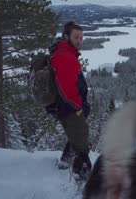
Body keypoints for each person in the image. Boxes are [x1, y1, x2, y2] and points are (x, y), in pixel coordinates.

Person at [46, 21, 92, 181]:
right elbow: (66, 87)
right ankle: (83, 177)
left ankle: (65, 163)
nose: (79, 40)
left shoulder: (66, 53)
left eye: (81, 37)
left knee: (76, 136)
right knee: (81, 141)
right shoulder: (65, 56)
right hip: (70, 108)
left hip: (67, 106)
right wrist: (78, 106)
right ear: (66, 36)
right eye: (76, 37)